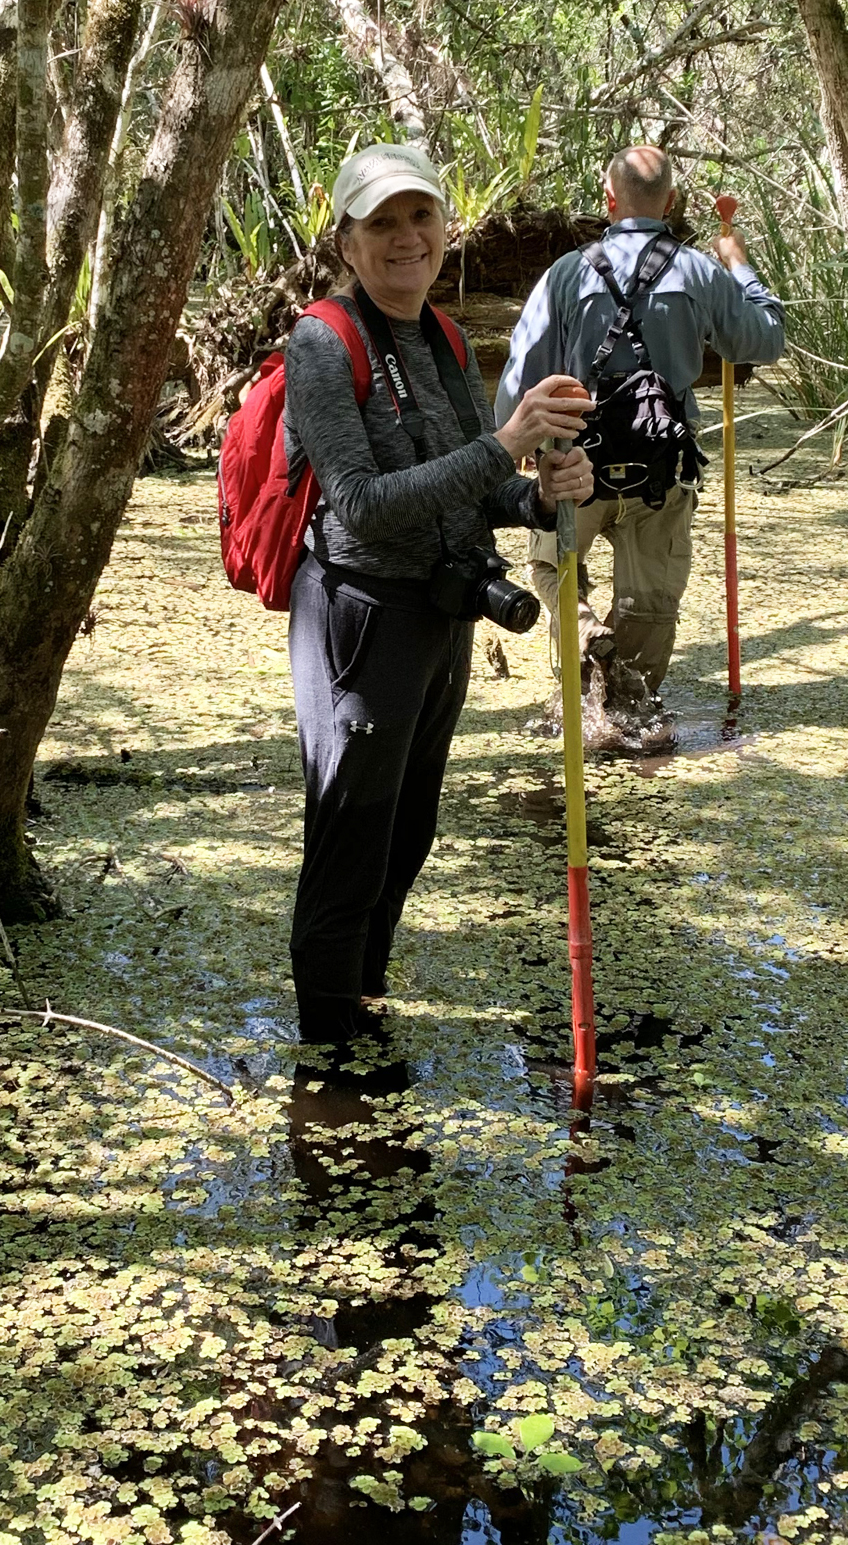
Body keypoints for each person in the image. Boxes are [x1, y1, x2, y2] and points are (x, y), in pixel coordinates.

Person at [282, 142, 595, 1045]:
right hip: (360, 618)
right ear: (347, 243)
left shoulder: (445, 336)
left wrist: (537, 495)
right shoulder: (321, 342)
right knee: (350, 846)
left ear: (445, 229)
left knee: (406, 835)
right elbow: (362, 503)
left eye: (420, 216)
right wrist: (506, 445)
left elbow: (467, 491)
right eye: (381, 222)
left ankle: (366, 1006)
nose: (406, 238)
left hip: (441, 615)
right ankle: (330, 1062)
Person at [495, 145, 786, 698]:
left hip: (575, 465)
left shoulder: (566, 274)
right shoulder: (699, 271)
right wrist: (738, 264)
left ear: (609, 200)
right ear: (670, 202)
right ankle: (628, 700)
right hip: (662, 468)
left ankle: (583, 632)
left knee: (551, 566)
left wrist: (513, 447)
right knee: (649, 606)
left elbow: (519, 378)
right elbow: (766, 338)